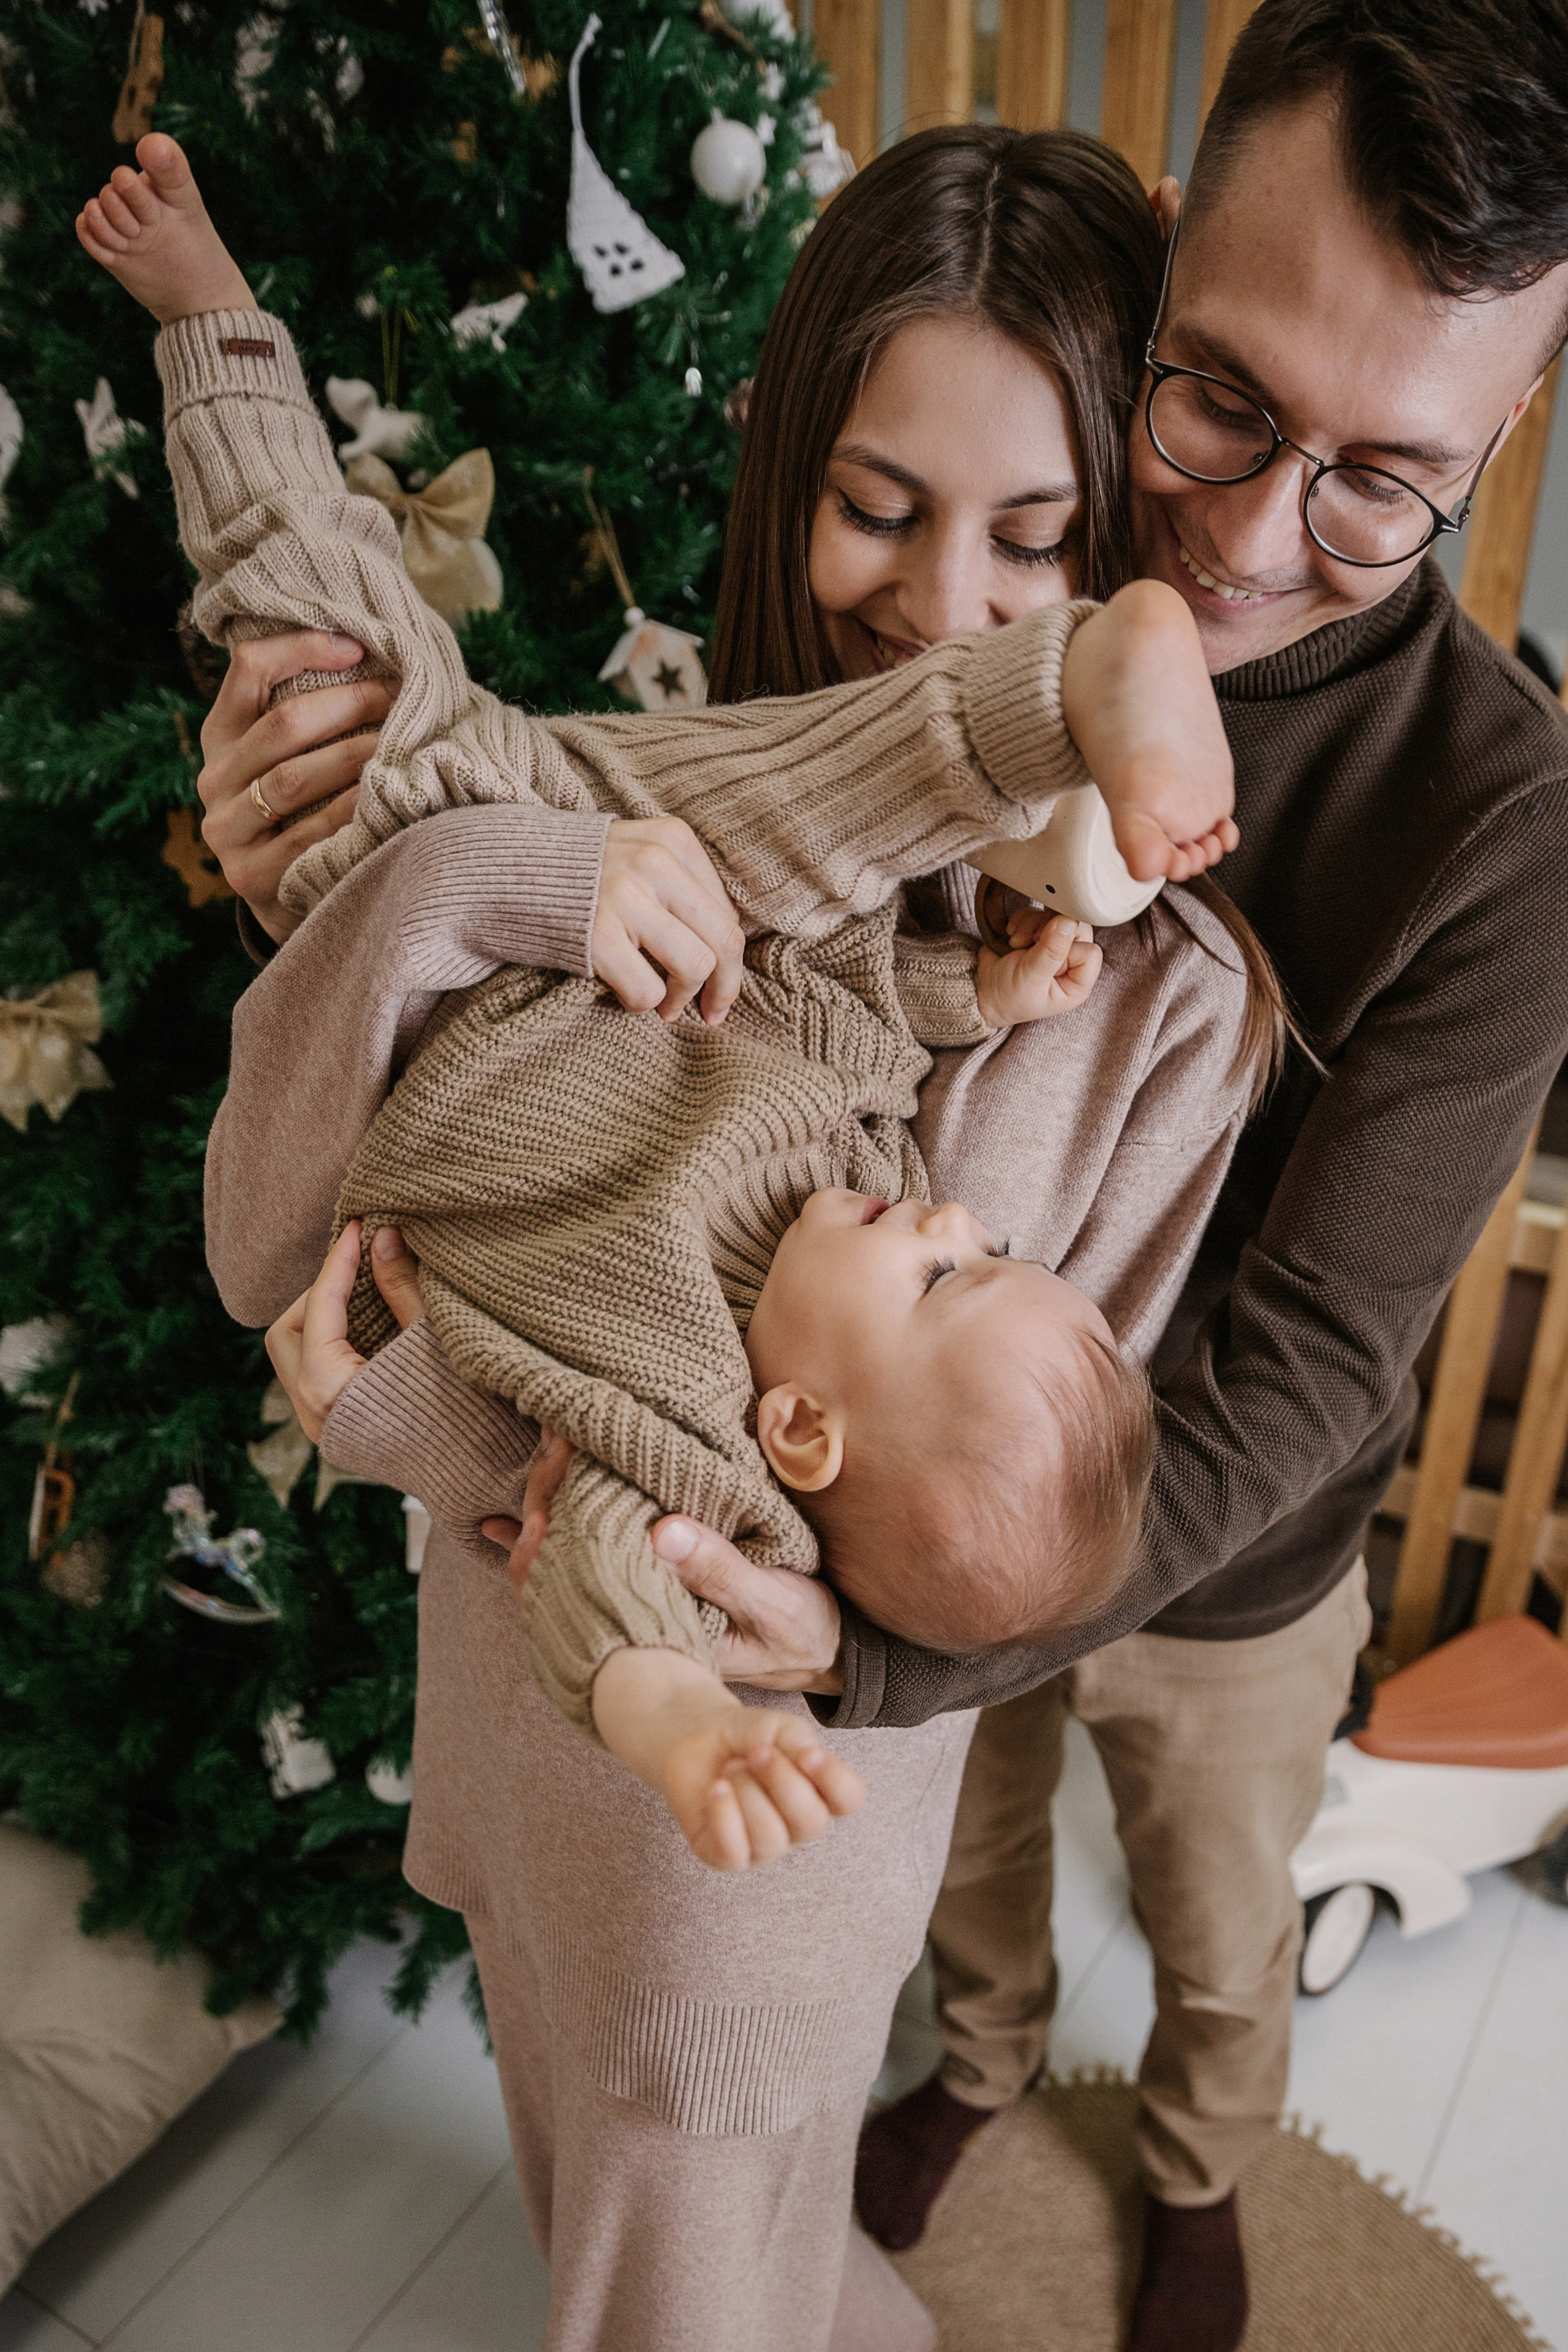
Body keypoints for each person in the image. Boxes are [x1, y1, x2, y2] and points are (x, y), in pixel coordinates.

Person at [135, 127, 1270, 2352]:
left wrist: (414, 1424)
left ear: (1123, 543)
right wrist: (355, 906)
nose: (944, 598)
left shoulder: (1162, 1017)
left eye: (1037, 542)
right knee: (632, 2211)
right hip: (535, 1770)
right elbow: (453, 1132)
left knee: (669, 2269)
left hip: (720, 1862)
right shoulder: (716, 832)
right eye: (879, 507)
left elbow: (930, 1550)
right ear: (787, 480)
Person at [627, 10, 1568, 2350]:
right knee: (968, 1869)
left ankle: (1200, 2157)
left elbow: (1318, 1363)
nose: (1247, 538)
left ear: (1512, 425)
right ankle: (977, 2064)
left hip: (1236, 1568)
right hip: (895, 1477)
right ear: (1157, 253)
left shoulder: (1505, 829)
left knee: (1220, 1914)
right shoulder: (965, 563)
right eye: (1220, 399)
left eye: (1384, 481)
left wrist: (905, 1647)